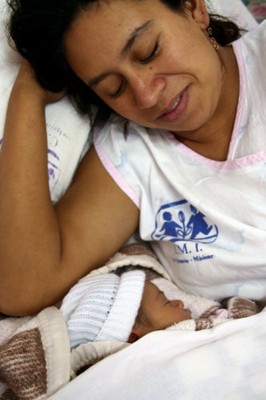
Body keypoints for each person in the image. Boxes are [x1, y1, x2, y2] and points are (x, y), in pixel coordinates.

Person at [1, 0, 266, 316]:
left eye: (149, 51)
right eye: (114, 88)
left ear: (194, 8)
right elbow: (22, 287)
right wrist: (28, 93)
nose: (147, 95)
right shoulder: (133, 154)